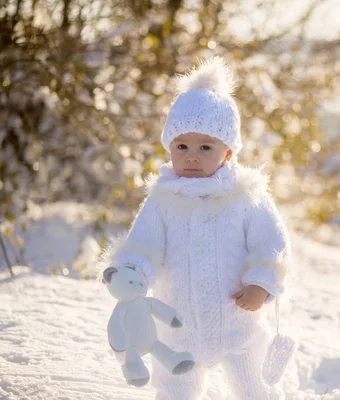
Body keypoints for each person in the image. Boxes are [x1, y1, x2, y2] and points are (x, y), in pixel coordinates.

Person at [100, 56, 292, 399]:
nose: (191, 156)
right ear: (169, 147)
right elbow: (144, 245)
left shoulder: (245, 195)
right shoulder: (162, 199)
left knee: (255, 388)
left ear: (229, 152)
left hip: (238, 319)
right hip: (178, 325)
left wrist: (261, 284)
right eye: (182, 146)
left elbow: (271, 245)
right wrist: (130, 274)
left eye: (206, 147)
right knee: (176, 389)